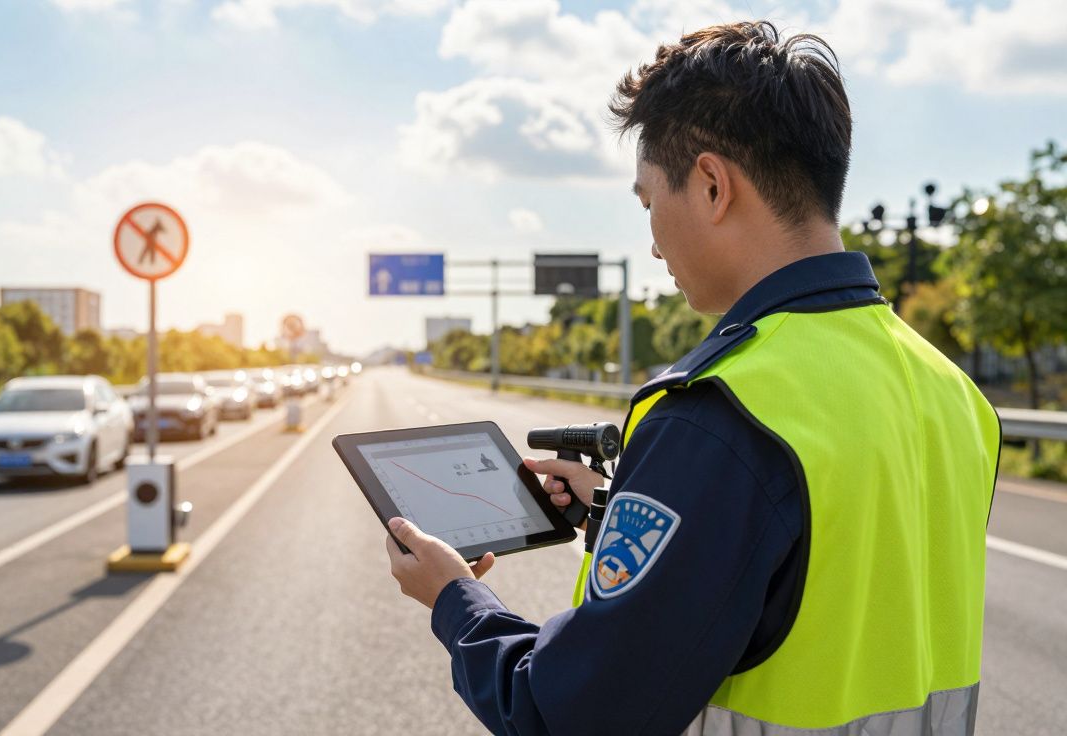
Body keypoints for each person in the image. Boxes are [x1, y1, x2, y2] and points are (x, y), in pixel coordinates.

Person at [384, 20, 1000, 736]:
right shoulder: (954, 392)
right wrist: (627, 510)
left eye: (649, 203)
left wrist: (455, 599)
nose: (650, 243)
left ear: (711, 184)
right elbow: (828, 575)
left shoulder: (721, 414)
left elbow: (567, 714)